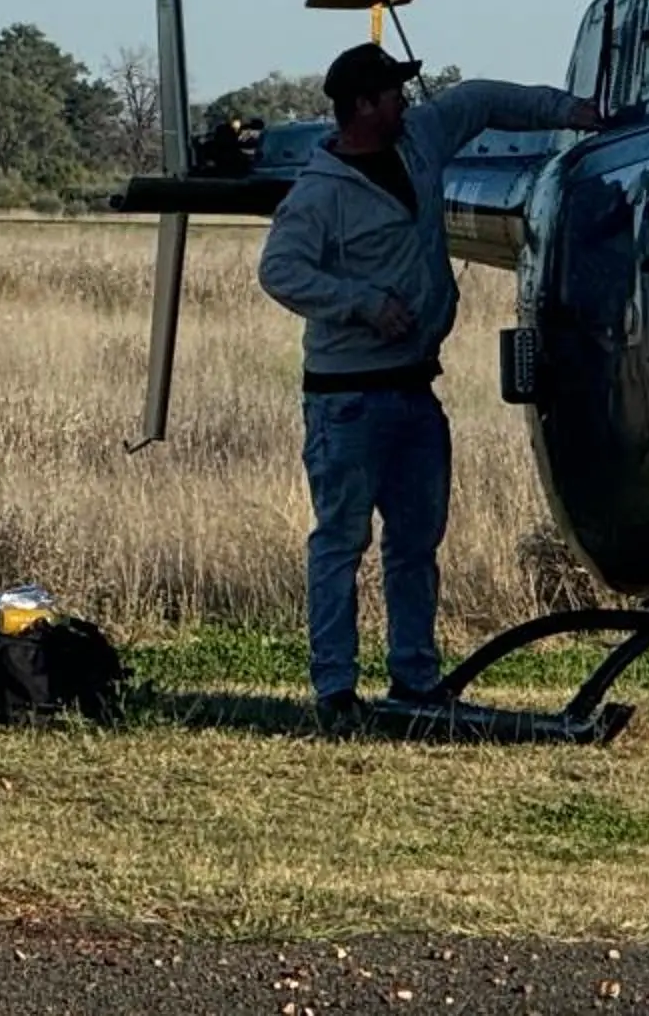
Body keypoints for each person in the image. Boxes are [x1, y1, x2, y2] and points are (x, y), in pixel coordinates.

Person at [256, 39, 598, 729]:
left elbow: (483, 101)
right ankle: (335, 690)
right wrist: (361, 302)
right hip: (346, 400)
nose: (403, 104)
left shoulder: (421, 142)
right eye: (390, 95)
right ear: (360, 107)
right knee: (341, 543)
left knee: (416, 544)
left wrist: (576, 112)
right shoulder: (319, 194)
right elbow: (280, 272)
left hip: (415, 390)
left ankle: (414, 678)